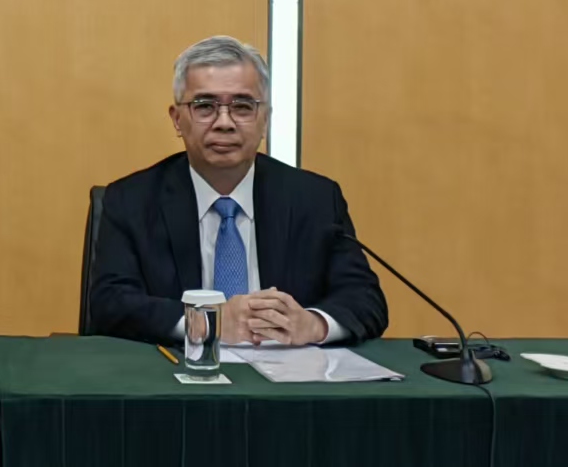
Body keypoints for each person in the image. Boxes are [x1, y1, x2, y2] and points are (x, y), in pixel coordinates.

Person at [87, 35, 386, 347]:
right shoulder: (132, 200)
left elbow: (364, 298)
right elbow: (110, 303)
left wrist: (312, 324)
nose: (224, 122)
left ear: (265, 120)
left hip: (286, 372)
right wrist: (206, 322)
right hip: (178, 372)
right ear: (177, 120)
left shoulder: (315, 200)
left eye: (242, 107)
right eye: (205, 106)